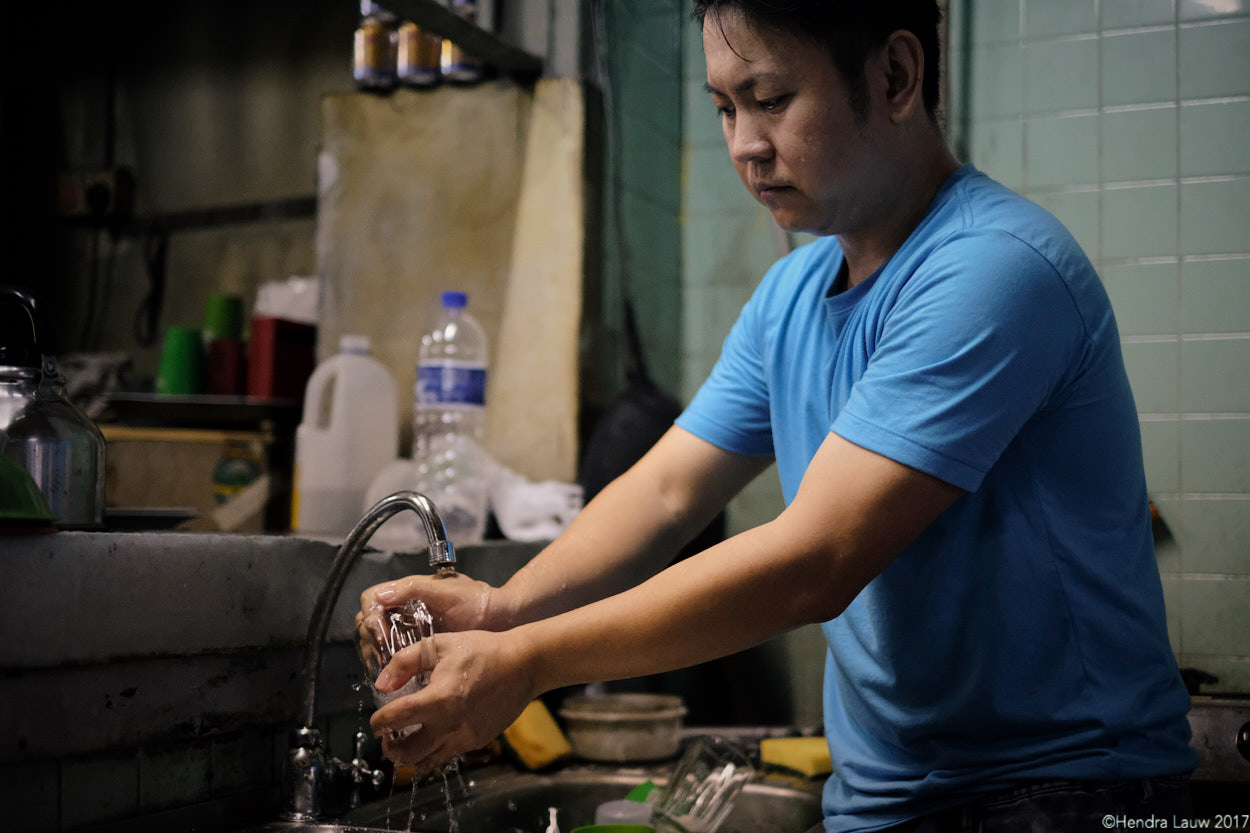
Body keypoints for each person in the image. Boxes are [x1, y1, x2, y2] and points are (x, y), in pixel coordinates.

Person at [360, 1, 1198, 829]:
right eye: (724, 107)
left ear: (896, 77)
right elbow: (663, 494)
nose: (743, 145)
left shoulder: (993, 270)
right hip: (877, 801)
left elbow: (816, 560)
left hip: (1069, 791)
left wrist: (529, 660)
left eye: (769, 100)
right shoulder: (791, 297)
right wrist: (505, 610)